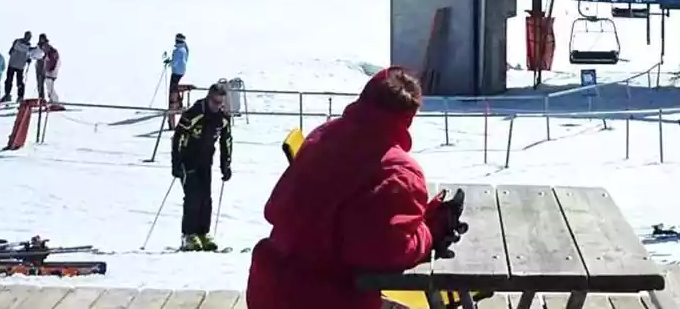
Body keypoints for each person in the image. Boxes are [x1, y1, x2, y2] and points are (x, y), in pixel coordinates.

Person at [247, 67, 466, 309]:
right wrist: (429, 232)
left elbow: (279, 207)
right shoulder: (398, 172)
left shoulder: (322, 136)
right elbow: (390, 252)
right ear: (408, 118)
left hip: (268, 289)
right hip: (327, 298)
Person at [172, 83, 233, 251]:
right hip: (188, 161)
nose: (218, 106)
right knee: (193, 197)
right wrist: (176, 162)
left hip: (206, 161)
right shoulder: (194, 113)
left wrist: (225, 165)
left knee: (206, 198)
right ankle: (188, 235)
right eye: (215, 102)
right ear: (208, 98)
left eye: (221, 103)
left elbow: (226, 141)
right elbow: (178, 137)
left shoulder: (223, 118)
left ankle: (203, 233)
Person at [2, 32, 31, 103]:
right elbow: (28, 55)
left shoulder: (17, 42)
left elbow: (10, 51)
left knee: (9, 80)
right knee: (20, 82)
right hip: (20, 66)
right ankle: (20, 97)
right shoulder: (28, 47)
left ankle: (7, 95)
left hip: (12, 63)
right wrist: (27, 59)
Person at [166, 33, 189, 108]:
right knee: (175, 87)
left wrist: (169, 63)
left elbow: (175, 62)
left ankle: (176, 104)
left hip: (176, 72)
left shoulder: (178, 50)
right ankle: (178, 104)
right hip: (181, 71)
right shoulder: (184, 49)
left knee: (173, 88)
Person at [38, 35, 61, 105]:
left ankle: (55, 101)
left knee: (50, 86)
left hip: (52, 72)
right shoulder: (47, 53)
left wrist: (51, 69)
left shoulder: (52, 51)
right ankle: (52, 100)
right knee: (48, 86)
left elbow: (54, 61)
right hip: (49, 72)